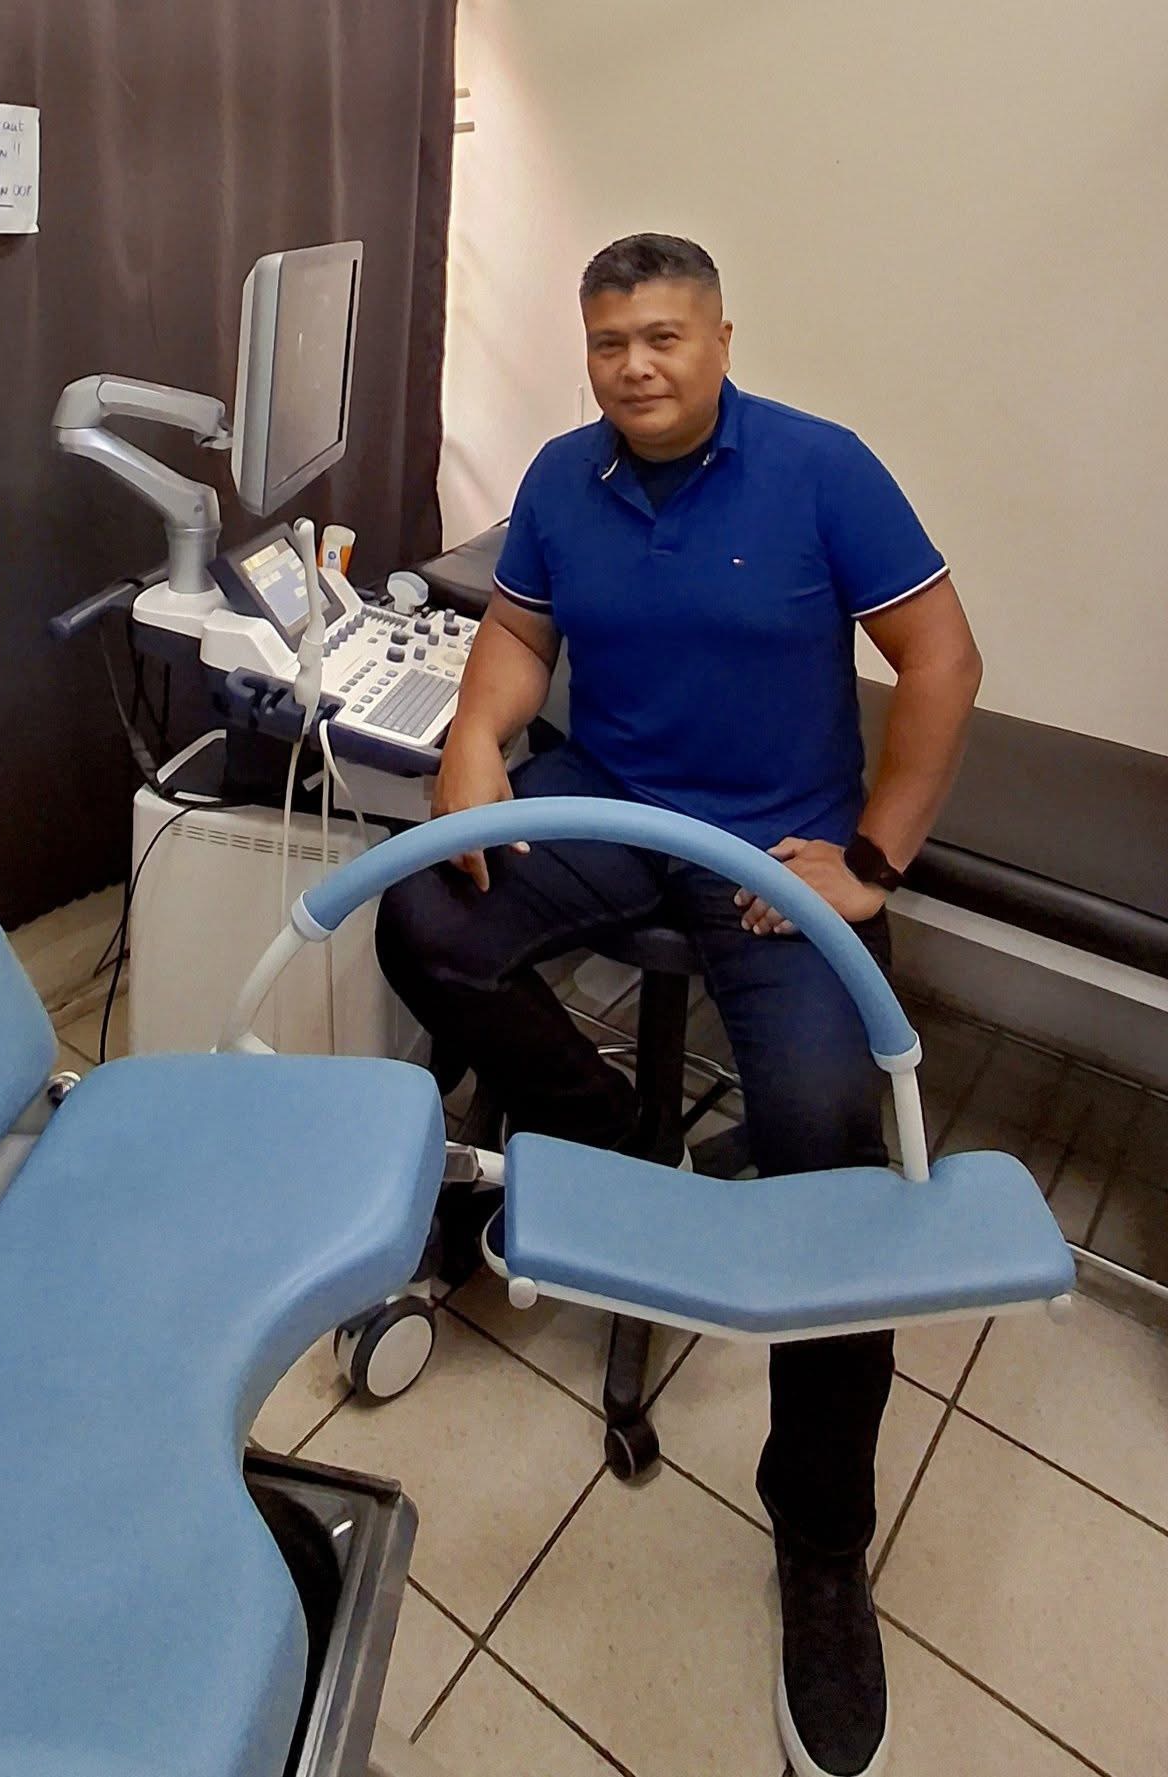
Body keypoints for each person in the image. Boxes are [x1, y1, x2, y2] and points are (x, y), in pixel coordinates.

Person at [376, 233, 982, 1777]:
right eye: (608, 342)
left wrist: (869, 861)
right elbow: (519, 635)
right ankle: (615, 1135)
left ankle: (820, 1534)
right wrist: (474, 740)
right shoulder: (563, 479)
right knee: (423, 919)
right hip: (608, 802)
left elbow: (940, 659)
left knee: (830, 1150)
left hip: (773, 862)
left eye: (663, 336)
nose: (634, 366)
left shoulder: (822, 469)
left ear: (720, 338)